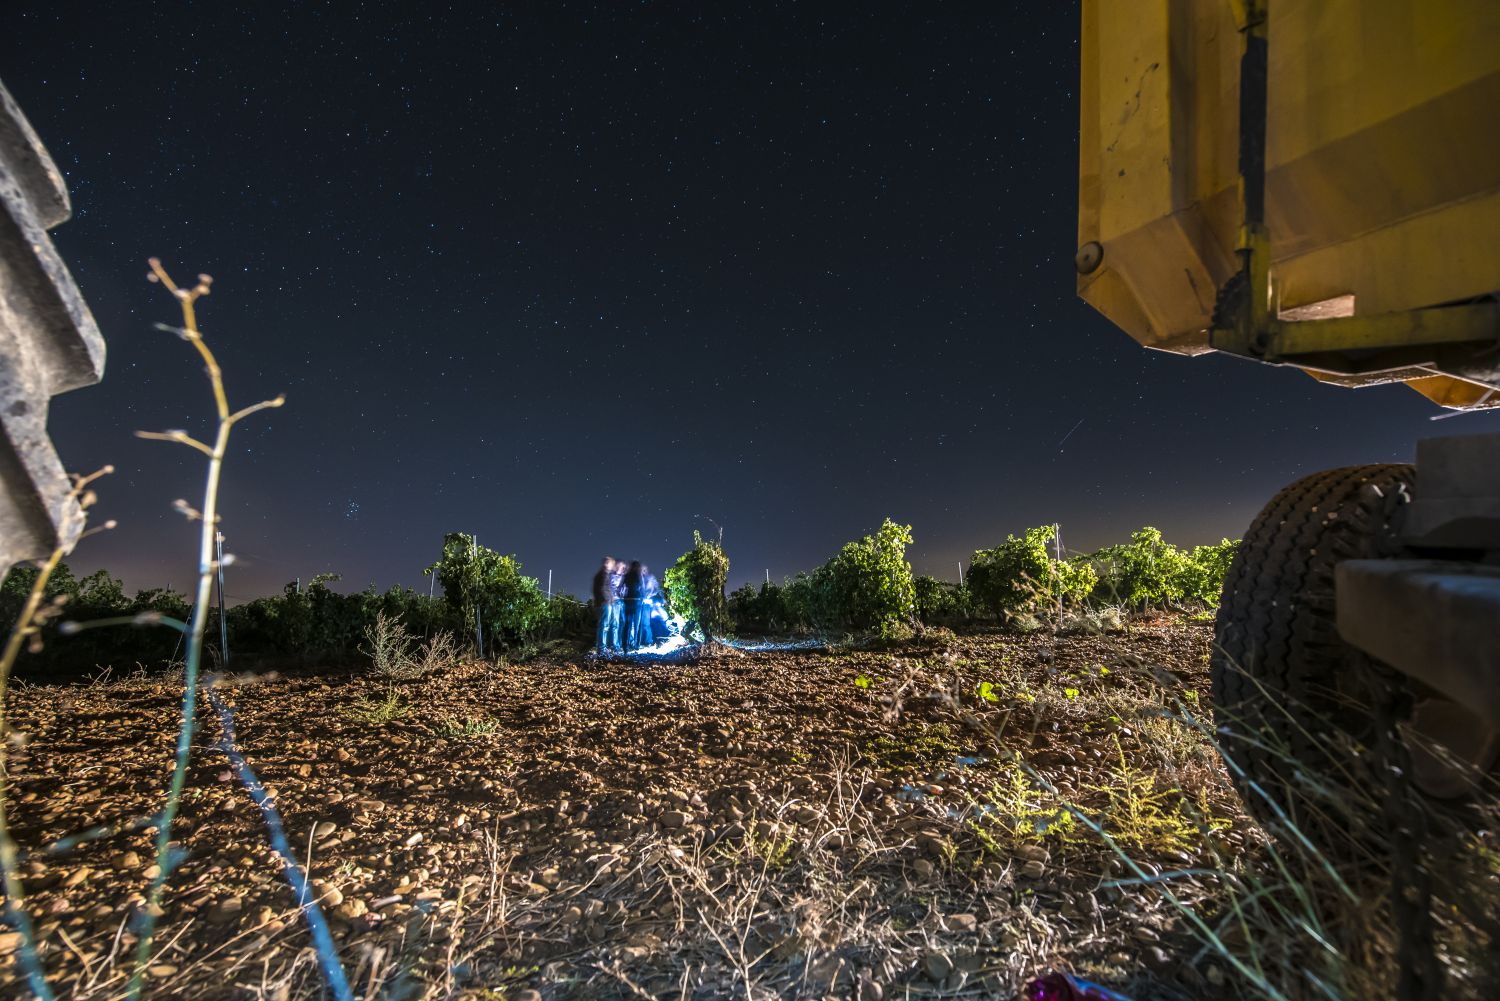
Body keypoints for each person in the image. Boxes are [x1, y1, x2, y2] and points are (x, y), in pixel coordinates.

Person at [593, 556, 623, 654]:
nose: (612, 566)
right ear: (607, 564)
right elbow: (602, 589)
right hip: (605, 603)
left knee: (605, 625)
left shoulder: (604, 574)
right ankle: (601, 648)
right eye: (611, 564)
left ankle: (602, 647)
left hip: (606, 602)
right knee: (604, 625)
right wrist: (608, 599)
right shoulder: (603, 575)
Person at [621, 560, 644, 652]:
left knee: (627, 624)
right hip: (637, 601)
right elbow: (642, 588)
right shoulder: (639, 576)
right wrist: (642, 598)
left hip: (627, 601)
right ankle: (636, 645)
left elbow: (621, 588)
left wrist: (623, 597)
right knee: (637, 624)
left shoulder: (626, 575)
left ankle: (625, 647)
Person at [636, 564, 659, 649]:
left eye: (644, 569)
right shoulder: (638, 579)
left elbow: (656, 589)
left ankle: (648, 641)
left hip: (647, 603)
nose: (643, 571)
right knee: (639, 624)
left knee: (645, 623)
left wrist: (650, 595)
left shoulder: (651, 577)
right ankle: (641, 642)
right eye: (641, 570)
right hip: (638, 603)